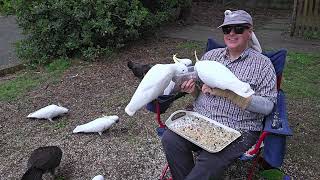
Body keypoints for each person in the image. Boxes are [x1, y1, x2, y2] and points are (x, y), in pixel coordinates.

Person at [161, 9, 278, 180]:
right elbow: (200, 92)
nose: (231, 33)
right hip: (201, 120)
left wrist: (230, 94)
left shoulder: (263, 65)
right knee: (170, 140)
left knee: (209, 163)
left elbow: (268, 106)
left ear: (249, 32)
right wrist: (192, 90)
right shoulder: (210, 57)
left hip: (238, 129)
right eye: (226, 29)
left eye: (238, 29)